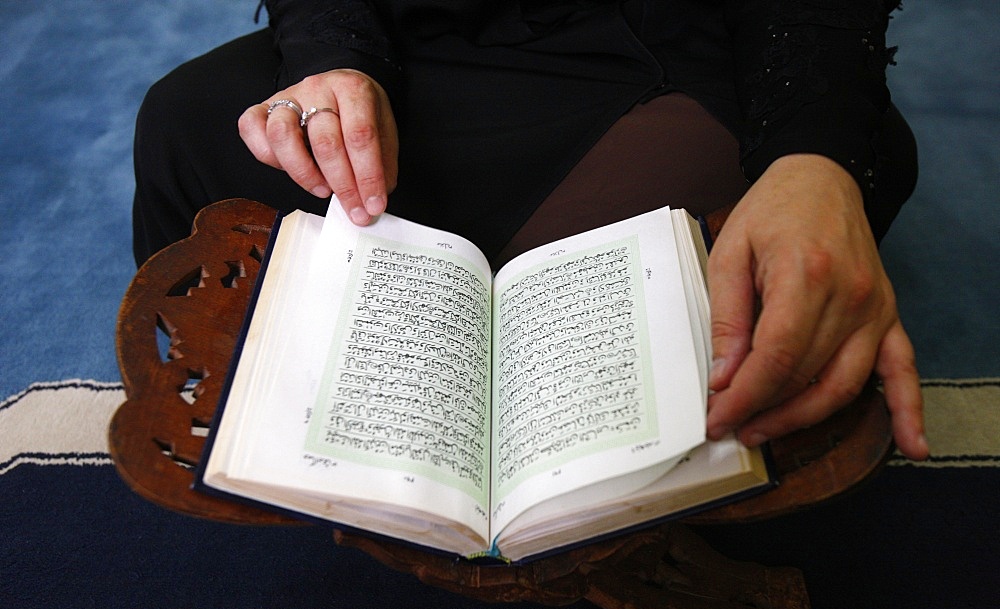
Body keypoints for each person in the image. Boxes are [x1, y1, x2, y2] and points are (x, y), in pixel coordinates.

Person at [132, 0, 929, 461]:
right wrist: (338, 60)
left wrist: (812, 155)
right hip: (424, 39)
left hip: (663, 49)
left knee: (826, 178)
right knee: (187, 123)